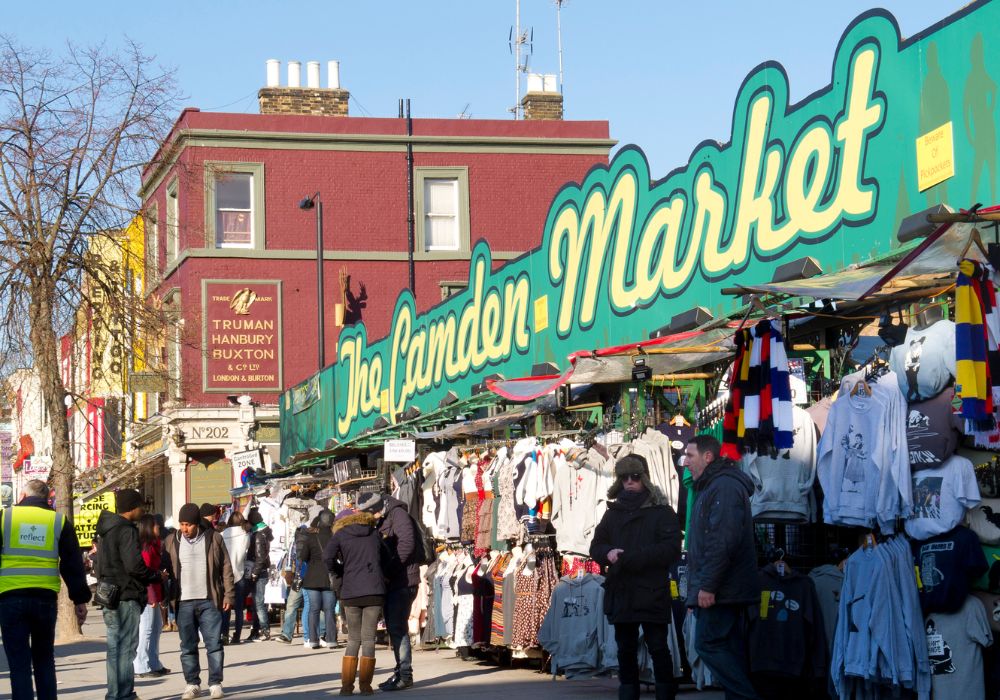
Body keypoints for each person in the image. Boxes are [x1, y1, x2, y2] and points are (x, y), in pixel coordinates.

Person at [590, 455, 682, 700]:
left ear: (645, 478)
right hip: (622, 590)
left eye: (635, 476)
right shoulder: (612, 513)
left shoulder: (662, 512)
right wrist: (607, 553)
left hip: (651, 590)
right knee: (625, 650)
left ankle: (665, 694)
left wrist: (632, 557)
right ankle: (628, 693)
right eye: (624, 477)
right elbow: (596, 545)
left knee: (659, 648)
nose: (630, 481)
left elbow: (671, 549)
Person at [684, 435, 761, 700]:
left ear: (708, 457)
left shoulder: (723, 487)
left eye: (690, 456)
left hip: (723, 589)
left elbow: (722, 541)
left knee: (708, 643)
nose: (684, 462)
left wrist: (707, 586)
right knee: (729, 648)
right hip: (725, 588)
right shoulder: (714, 486)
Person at [0, 479, 91, 700]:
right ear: (47, 498)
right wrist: (80, 600)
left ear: (22, 495)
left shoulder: (5, 517)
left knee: (19, 664)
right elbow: (72, 563)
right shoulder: (58, 521)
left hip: (11, 598)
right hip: (45, 599)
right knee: (44, 660)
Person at [96, 488, 163, 700]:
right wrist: (155, 576)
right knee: (126, 649)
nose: (143, 509)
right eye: (141, 506)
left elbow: (100, 564)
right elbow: (134, 566)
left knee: (115, 649)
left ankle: (114, 694)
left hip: (109, 594)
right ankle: (124, 694)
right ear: (132, 508)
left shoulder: (106, 530)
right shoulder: (126, 530)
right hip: (126, 595)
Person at [164, 502, 236, 700]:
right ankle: (192, 683)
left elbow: (226, 568)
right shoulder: (172, 541)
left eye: (188, 524)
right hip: (183, 602)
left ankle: (215, 683)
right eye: (181, 524)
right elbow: (163, 568)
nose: (184, 529)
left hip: (209, 601)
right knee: (188, 646)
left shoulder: (214, 538)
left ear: (197, 523)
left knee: (214, 644)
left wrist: (229, 594)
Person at [324, 493, 389, 696]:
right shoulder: (374, 534)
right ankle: (366, 686)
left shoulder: (341, 535)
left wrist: (338, 572)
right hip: (373, 590)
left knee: (353, 639)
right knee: (369, 639)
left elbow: (327, 557)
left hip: (350, 591)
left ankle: (346, 686)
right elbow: (387, 558)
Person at [374, 494, 420, 690]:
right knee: (394, 628)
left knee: (398, 629)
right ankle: (400, 672)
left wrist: (389, 570)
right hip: (394, 581)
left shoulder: (398, 514)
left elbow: (407, 544)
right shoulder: (387, 516)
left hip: (403, 580)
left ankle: (405, 675)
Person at [134, 513, 170, 679]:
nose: (159, 528)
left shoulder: (154, 545)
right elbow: (144, 573)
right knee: (146, 629)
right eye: (156, 526)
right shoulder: (146, 548)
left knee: (156, 628)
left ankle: (154, 662)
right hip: (148, 593)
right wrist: (151, 597)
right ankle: (140, 664)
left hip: (155, 590)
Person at [301, 509, 340, 649]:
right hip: (328, 577)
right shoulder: (335, 537)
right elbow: (340, 557)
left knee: (313, 609)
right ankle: (331, 640)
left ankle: (313, 640)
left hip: (312, 578)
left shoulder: (311, 537)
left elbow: (304, 557)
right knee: (329, 610)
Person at [275, 523, 310, 644]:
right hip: (312, 578)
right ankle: (318, 634)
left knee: (291, 605)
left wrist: (289, 576)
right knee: (314, 607)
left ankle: (287, 634)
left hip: (298, 579)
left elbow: (289, 562)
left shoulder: (294, 543)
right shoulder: (313, 540)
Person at [220, 512, 251, 645]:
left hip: (225, 575)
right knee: (239, 608)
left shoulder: (221, 535)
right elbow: (244, 553)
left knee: (226, 606)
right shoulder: (245, 536)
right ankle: (237, 636)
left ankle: (224, 635)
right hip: (239, 573)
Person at [245, 507, 272, 641]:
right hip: (260, 571)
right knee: (256, 603)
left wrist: (254, 573)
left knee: (259, 603)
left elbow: (260, 557)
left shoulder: (258, 536)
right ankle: (256, 630)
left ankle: (264, 630)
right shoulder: (263, 532)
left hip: (259, 573)